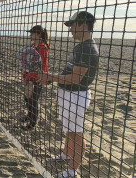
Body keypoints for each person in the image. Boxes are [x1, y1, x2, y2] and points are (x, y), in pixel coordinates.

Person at [38, 11, 99, 178]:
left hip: (76, 96)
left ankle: (72, 171)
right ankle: (66, 154)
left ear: (82, 24)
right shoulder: (81, 46)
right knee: (69, 129)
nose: (70, 29)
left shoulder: (87, 48)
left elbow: (76, 78)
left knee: (76, 133)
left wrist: (50, 77)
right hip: (68, 94)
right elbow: (69, 72)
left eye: (72, 25)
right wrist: (51, 79)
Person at [19, 25, 50, 130]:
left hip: (38, 78)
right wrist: (25, 76)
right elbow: (26, 62)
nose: (30, 35)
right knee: (27, 97)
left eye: (32, 33)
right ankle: (29, 116)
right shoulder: (32, 46)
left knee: (33, 100)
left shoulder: (42, 47)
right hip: (30, 77)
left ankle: (32, 123)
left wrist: (38, 79)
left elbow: (42, 65)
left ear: (38, 34)